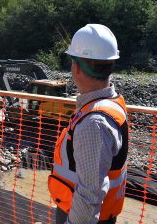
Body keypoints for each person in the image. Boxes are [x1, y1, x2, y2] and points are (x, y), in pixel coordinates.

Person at [48, 24, 128, 224]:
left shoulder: (94, 123)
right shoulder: (111, 103)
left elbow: (88, 196)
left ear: (75, 68)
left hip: (79, 216)